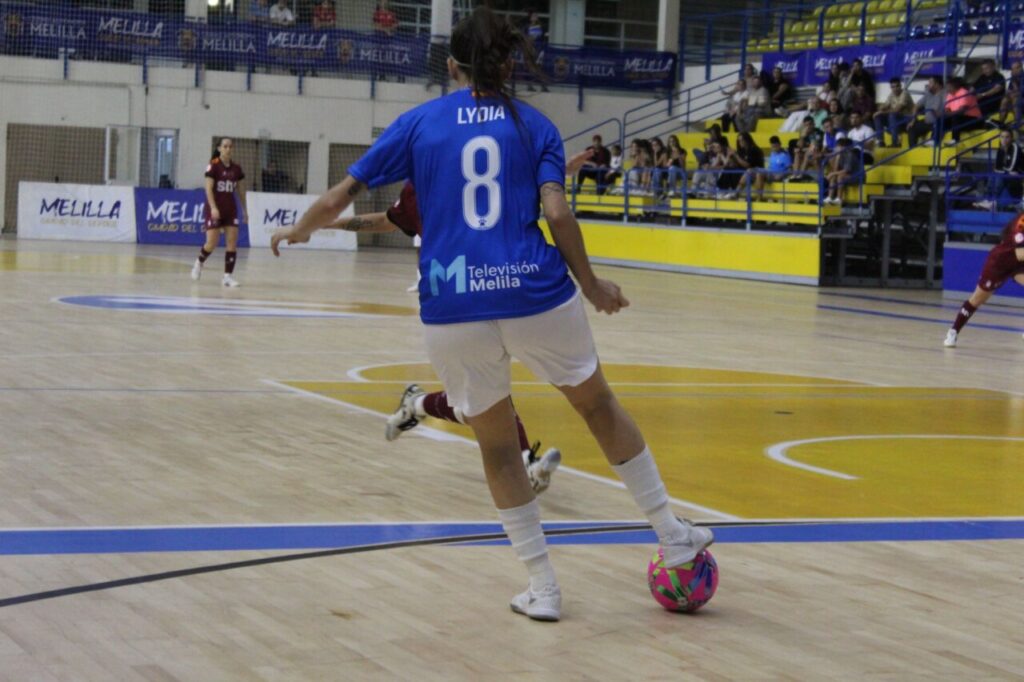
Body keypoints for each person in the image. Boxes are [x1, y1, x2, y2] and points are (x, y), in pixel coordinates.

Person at [269, 7, 713, 622]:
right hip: (536, 292)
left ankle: (544, 588)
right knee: (598, 406)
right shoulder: (535, 126)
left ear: (452, 65)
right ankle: (671, 532)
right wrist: (591, 285)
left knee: (499, 449)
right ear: (509, 64)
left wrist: (297, 230)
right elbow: (558, 216)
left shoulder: (419, 122)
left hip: (453, 305)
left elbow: (339, 197)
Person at [943, 211, 1024, 347]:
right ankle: (953, 331)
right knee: (977, 299)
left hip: (1018, 265)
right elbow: (1021, 253)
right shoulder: (1020, 224)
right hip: (1000, 263)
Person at [191, 137, 247, 287]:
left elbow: (241, 191)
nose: (228, 149)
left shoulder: (237, 169)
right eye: (225, 146)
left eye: (230, 146)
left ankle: (227, 277)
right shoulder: (213, 166)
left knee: (232, 242)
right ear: (219, 148)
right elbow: (208, 189)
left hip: (231, 209)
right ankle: (199, 262)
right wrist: (213, 207)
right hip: (214, 208)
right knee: (212, 242)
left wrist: (244, 210)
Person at [973, 129, 1024, 210]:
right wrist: (1005, 171)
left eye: (1007, 137)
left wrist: (1004, 170)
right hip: (1008, 173)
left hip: (1019, 174)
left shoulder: (1015, 147)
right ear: (999, 138)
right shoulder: (1000, 149)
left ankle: (993, 201)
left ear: (1011, 138)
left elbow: (1012, 166)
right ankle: (988, 200)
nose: (1004, 139)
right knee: (992, 175)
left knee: (999, 177)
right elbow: (997, 167)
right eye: (1002, 137)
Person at [937, 77, 983, 146]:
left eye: (949, 87)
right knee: (940, 119)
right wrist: (946, 114)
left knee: (956, 117)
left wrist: (948, 114)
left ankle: (955, 140)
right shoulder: (950, 94)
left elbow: (961, 111)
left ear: (955, 86)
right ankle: (935, 140)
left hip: (974, 120)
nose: (947, 89)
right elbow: (947, 109)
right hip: (957, 118)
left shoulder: (964, 92)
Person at [721, 132, 764, 200]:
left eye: (741, 140)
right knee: (728, 169)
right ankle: (723, 192)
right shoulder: (742, 151)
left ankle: (735, 193)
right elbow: (735, 164)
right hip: (744, 170)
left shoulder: (754, 150)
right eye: (739, 141)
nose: (740, 142)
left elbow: (747, 165)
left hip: (755, 171)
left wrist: (735, 155)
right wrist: (730, 156)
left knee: (745, 172)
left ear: (747, 140)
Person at [873, 78, 915, 147]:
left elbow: (897, 110)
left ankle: (895, 142)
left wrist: (882, 112)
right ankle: (880, 141)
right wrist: (880, 110)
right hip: (895, 121)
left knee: (892, 115)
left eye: (897, 86)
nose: (895, 89)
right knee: (878, 117)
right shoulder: (891, 95)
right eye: (893, 87)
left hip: (907, 120)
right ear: (891, 88)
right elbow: (885, 105)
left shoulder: (905, 94)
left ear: (900, 86)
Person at [908, 76, 945, 146]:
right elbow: (916, 106)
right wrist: (913, 119)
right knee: (912, 127)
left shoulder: (944, 94)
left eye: (930, 83)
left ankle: (933, 142)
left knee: (939, 123)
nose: (928, 85)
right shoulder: (928, 94)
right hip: (927, 122)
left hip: (938, 122)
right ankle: (912, 149)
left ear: (937, 84)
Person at [823, 136, 860, 206]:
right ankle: (829, 197)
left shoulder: (850, 155)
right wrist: (837, 158)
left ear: (843, 147)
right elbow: (835, 169)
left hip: (857, 176)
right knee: (835, 176)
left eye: (838, 146)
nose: (836, 148)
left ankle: (839, 199)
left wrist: (832, 173)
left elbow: (846, 170)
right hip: (848, 175)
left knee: (840, 177)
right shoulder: (840, 155)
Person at [523, 11, 549, 92]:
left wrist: (542, 49)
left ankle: (543, 86)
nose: (535, 17)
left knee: (540, 68)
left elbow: (544, 38)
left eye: (536, 16)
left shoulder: (541, 26)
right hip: (530, 50)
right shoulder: (527, 27)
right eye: (533, 16)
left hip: (539, 50)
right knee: (531, 68)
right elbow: (524, 38)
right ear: (530, 18)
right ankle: (529, 85)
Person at [997, 60, 1024, 126]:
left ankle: (1018, 122)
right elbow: (1009, 90)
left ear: (1020, 68)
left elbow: (1022, 92)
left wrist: (1014, 91)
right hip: (1017, 96)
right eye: (1012, 69)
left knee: (1015, 99)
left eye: (1015, 68)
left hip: (1021, 98)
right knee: (1004, 100)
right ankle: (1001, 123)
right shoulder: (1014, 77)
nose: (1013, 70)